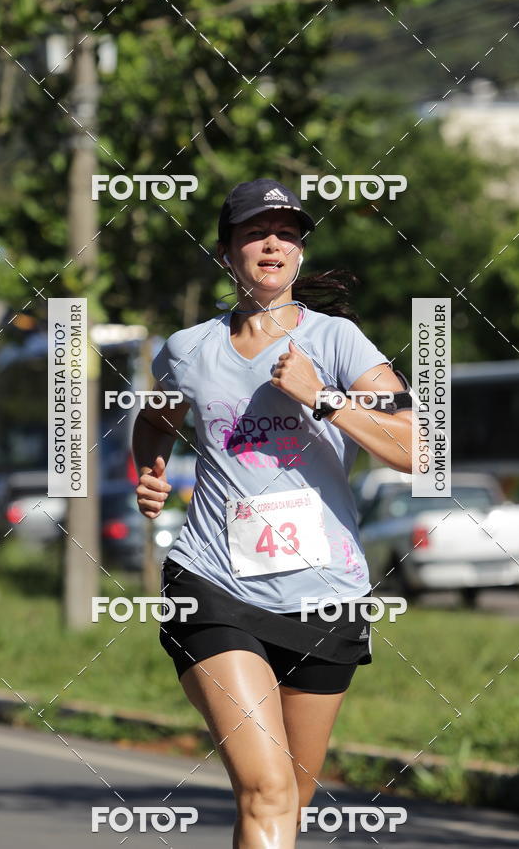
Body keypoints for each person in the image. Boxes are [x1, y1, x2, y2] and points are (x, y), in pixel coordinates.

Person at [133, 178, 413, 848]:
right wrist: (150, 470)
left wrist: (325, 400)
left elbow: (420, 448)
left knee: (289, 800)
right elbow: (155, 419)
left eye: (287, 232)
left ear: (300, 251)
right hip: (214, 586)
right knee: (267, 788)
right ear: (228, 251)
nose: (273, 243)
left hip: (326, 598)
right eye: (257, 231)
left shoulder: (339, 341)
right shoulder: (187, 349)